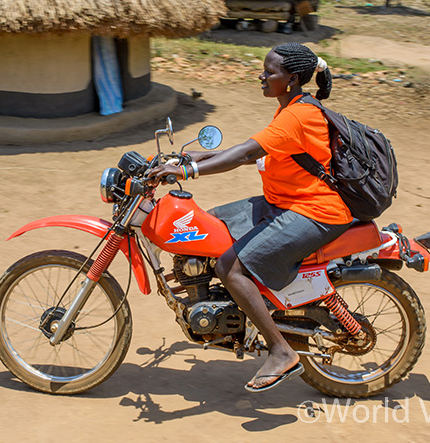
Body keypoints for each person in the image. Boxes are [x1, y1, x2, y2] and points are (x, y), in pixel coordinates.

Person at [148, 42, 353, 392]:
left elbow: (245, 152)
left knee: (230, 265)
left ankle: (280, 351)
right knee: (208, 229)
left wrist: (189, 172)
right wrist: (185, 159)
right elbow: (248, 152)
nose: (261, 75)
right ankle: (230, 306)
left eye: (269, 71)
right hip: (284, 202)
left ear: (290, 79)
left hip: (313, 211)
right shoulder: (291, 106)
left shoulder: (298, 115)